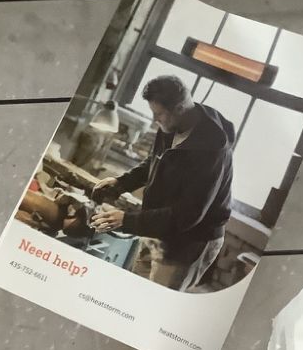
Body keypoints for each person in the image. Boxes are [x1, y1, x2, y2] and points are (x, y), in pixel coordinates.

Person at [91, 75, 234, 291]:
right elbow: (156, 161)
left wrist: (127, 220)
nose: (154, 120)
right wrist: (121, 183)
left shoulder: (211, 149)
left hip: (188, 241)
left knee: (154, 300)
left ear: (179, 108)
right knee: (134, 291)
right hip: (158, 226)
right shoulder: (172, 125)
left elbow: (188, 216)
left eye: (158, 114)